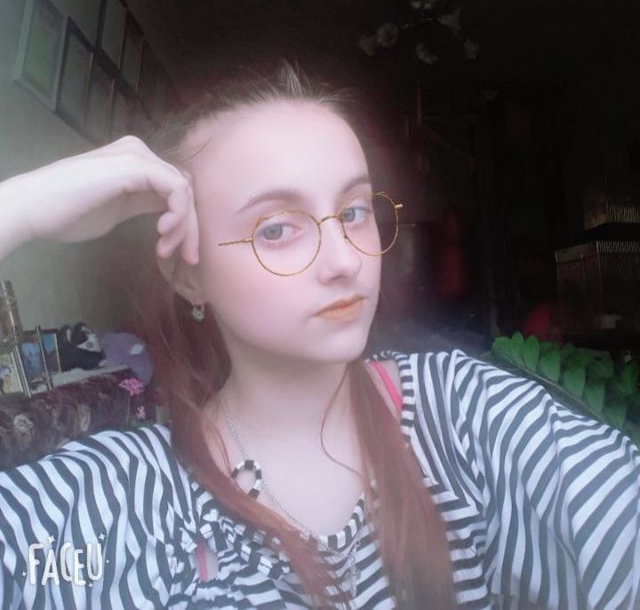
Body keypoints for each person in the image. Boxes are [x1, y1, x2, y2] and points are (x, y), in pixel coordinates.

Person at [0, 61, 637, 610]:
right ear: (188, 276)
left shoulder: (460, 415)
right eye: (277, 228)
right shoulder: (123, 499)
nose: (345, 259)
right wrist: (18, 209)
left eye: (353, 211)